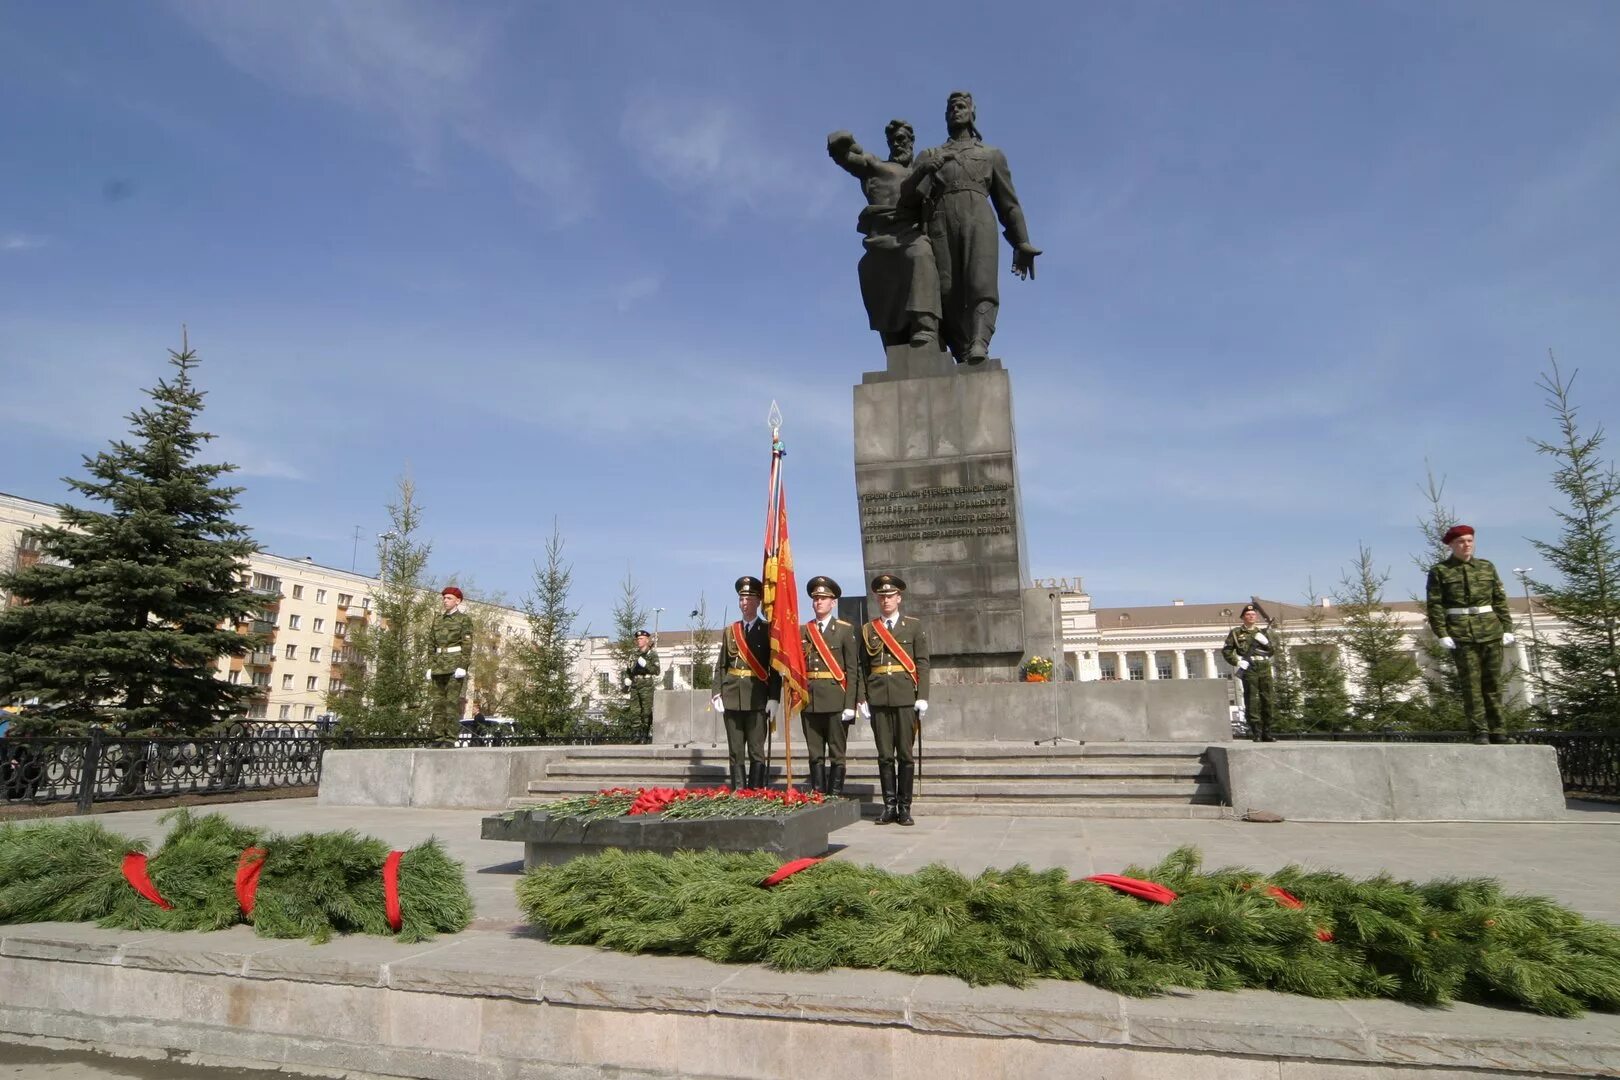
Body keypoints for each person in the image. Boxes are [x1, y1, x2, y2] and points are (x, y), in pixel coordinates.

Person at [913, 91, 1041, 365]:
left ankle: (979, 342)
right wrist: (922, 171)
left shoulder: (991, 155)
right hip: (940, 222)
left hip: (978, 217)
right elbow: (911, 199)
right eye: (950, 108)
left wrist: (1022, 242)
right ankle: (960, 349)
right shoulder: (931, 155)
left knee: (980, 282)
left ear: (972, 112)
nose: (955, 111)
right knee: (945, 290)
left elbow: (1009, 204)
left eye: (961, 107)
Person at [826, 120, 942, 349]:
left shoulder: (925, 174)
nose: (899, 144)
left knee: (921, 255)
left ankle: (925, 326)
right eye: (894, 140)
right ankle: (894, 338)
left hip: (911, 236)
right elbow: (840, 153)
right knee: (876, 278)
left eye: (903, 139)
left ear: (912, 141)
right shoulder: (875, 166)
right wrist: (848, 141)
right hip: (881, 240)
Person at [1426, 524, 1515, 744]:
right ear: (1451, 545)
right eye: (1461, 542)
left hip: (1491, 630)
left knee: (1493, 684)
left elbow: (1499, 599)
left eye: (1469, 541)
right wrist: (1441, 633)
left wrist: (1507, 628)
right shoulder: (1440, 571)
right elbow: (1435, 604)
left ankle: (1499, 731)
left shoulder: (1486, 567)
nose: (1466, 545)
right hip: (1461, 633)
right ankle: (1480, 732)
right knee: (1472, 686)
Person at [859, 574, 929, 825]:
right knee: (885, 755)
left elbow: (922, 663)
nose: (886, 600)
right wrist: (862, 698)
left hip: (904, 697)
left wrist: (922, 697)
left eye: (890, 596)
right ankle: (889, 806)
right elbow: (862, 666)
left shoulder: (913, 626)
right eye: (882, 596)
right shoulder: (868, 630)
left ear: (899, 598)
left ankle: (905, 807)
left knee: (905, 755)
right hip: (878, 697)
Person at [711, 576, 780, 790]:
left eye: (749, 599)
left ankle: (756, 791)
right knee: (735, 750)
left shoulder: (768, 631)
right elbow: (721, 665)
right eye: (741, 599)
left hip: (757, 697)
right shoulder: (730, 631)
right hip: (732, 696)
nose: (744, 603)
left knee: (756, 750)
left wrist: (774, 698)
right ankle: (739, 792)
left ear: (758, 601)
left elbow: (775, 668)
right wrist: (716, 693)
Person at [800, 576, 860, 797]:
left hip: (836, 700)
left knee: (836, 753)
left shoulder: (844, 630)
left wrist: (850, 704)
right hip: (810, 701)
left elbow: (852, 670)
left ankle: (834, 794)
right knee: (815, 753)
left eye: (824, 598)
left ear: (833, 603)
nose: (819, 602)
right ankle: (818, 794)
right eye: (816, 598)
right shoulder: (803, 631)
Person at [1221, 603, 1275, 742]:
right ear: (1243, 617)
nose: (1251, 616)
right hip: (1249, 666)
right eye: (1248, 615)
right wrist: (1237, 662)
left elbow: (1271, 652)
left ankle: (1267, 732)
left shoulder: (1262, 632)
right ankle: (1256, 732)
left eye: (1253, 615)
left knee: (1267, 699)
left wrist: (1267, 643)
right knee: (1251, 698)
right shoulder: (1236, 632)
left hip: (1263, 665)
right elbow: (1227, 650)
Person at [426, 586, 473, 737]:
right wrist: (430, 666)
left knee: (451, 704)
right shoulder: (438, 620)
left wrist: (462, 666)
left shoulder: (464, 620)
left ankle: (450, 738)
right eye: (444, 598)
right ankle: (437, 736)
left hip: (454, 666)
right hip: (438, 666)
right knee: (438, 704)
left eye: (449, 598)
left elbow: (467, 644)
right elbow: (431, 644)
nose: (445, 601)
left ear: (457, 601)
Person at [623, 629, 660, 732]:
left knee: (646, 711)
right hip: (635, 685)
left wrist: (646, 665)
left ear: (647, 640)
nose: (639, 640)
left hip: (646, 685)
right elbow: (629, 669)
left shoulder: (652, 654)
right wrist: (627, 678)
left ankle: (645, 733)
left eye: (641, 639)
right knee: (634, 711)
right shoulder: (633, 654)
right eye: (637, 639)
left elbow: (657, 671)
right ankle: (636, 734)